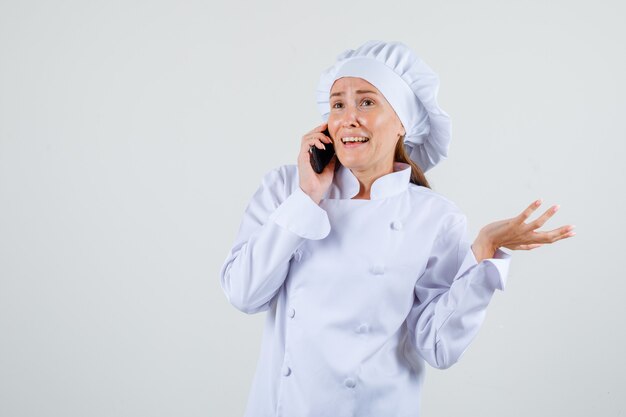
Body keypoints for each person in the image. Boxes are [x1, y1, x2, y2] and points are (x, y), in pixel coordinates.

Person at [219, 40, 574, 417]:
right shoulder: (284, 189)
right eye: (338, 104)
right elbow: (243, 294)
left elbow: (438, 345)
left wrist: (484, 249)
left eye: (367, 102)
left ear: (403, 123)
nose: (348, 118)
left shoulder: (435, 217)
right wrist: (307, 197)